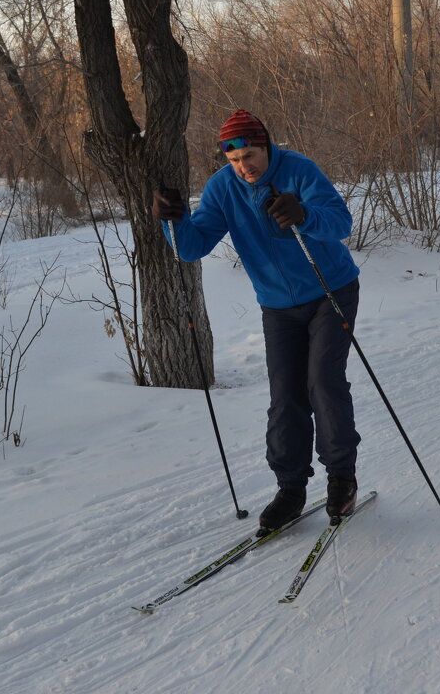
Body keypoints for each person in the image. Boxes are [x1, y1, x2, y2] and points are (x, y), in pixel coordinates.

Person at [152, 109, 362, 531]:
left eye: (250, 155)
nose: (244, 166)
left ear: (265, 146)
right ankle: (291, 487)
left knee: (323, 380)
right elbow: (191, 248)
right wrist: (172, 219)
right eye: (234, 160)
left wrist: (303, 214)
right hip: (277, 305)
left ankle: (341, 478)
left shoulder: (299, 170)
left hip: (330, 291)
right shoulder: (222, 188)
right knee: (285, 394)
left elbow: (341, 223)